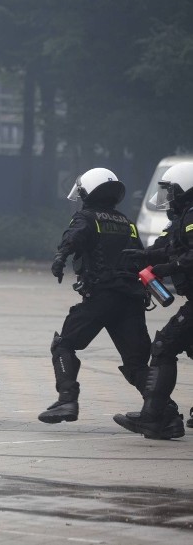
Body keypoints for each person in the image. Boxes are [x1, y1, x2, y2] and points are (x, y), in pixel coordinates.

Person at [38, 168, 183, 435]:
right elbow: (142, 256)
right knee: (137, 364)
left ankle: (67, 400)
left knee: (64, 344)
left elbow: (74, 237)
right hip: (131, 300)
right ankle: (169, 416)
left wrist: (60, 258)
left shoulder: (87, 217)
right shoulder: (126, 222)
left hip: (101, 297)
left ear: (88, 192)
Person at [113, 162, 193, 439]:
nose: (168, 197)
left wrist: (166, 269)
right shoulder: (184, 216)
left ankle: (153, 417)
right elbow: (169, 246)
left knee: (164, 345)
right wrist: (143, 256)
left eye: (171, 191)